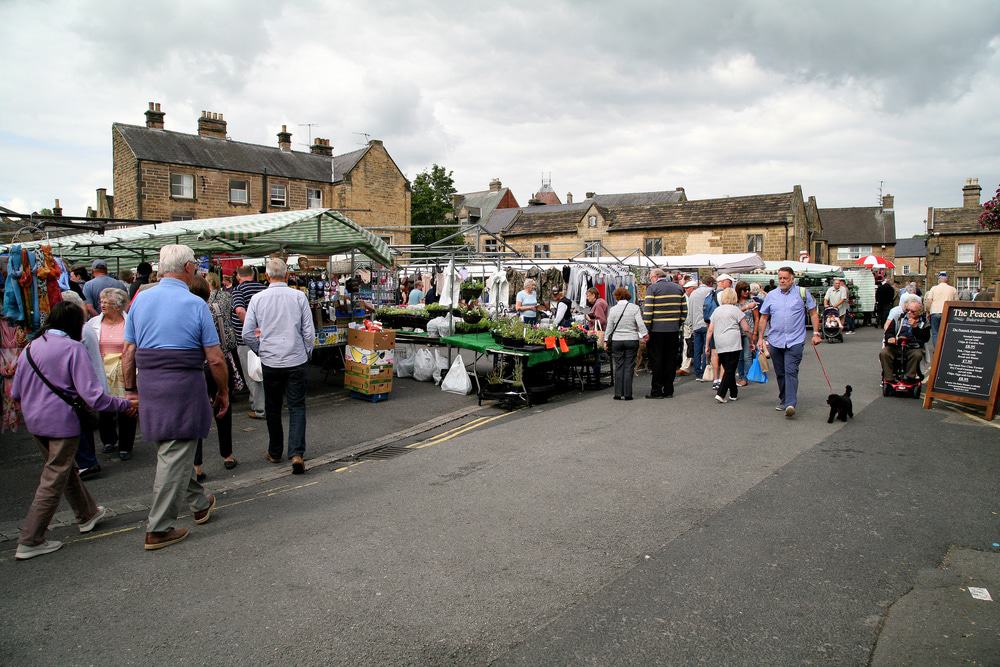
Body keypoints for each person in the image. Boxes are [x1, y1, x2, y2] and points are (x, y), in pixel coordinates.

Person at [10, 301, 135, 560]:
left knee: (63, 471)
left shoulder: (30, 349)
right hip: (62, 424)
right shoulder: (73, 349)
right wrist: (125, 405)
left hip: (35, 423)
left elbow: (16, 393)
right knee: (54, 478)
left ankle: (87, 513)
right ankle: (30, 539)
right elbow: (94, 397)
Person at [122, 244, 226, 551]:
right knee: (176, 452)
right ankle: (158, 528)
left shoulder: (140, 300)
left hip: (150, 386)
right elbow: (216, 359)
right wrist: (222, 391)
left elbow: (128, 352)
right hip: (183, 385)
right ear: (190, 268)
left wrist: (131, 390)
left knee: (171, 451)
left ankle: (199, 501)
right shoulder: (196, 305)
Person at [243, 258, 315, 475]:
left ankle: (275, 452)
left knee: (273, 408)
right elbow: (309, 332)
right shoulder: (298, 297)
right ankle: (296, 454)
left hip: (271, 360)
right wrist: (307, 352)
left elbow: (247, 333)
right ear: (287, 275)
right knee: (297, 407)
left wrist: (260, 350)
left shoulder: (257, 299)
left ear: (266, 276)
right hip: (296, 359)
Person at [189, 276, 238, 481]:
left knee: (196, 415)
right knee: (223, 409)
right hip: (217, 363)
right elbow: (227, 339)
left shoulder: (186, 312)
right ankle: (227, 455)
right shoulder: (218, 307)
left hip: (195, 367)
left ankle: (197, 464)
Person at [756, 266, 822, 418]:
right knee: (780, 373)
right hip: (775, 340)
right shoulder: (771, 295)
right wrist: (760, 338)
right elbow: (764, 317)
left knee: (790, 371)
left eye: (785, 278)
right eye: (780, 278)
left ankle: (791, 403)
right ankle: (784, 399)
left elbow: (813, 313)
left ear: (792, 279)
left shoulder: (802, 293)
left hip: (795, 340)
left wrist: (816, 333)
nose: (782, 280)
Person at [82, 287, 136, 462]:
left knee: (127, 405)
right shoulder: (93, 323)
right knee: (104, 405)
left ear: (118, 305)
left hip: (124, 368)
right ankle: (108, 440)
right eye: (102, 301)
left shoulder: (130, 322)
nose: (102, 304)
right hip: (102, 368)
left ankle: (126, 445)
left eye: (107, 302)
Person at [642, 267, 687, 399]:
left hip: (656, 331)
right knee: (670, 360)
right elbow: (684, 311)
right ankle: (668, 390)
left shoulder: (653, 289)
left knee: (657, 360)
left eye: (651, 277)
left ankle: (656, 391)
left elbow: (648, 311)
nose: (651, 280)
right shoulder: (678, 288)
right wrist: (677, 323)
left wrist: (646, 329)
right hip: (673, 330)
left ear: (655, 276)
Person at [231, 265, 267, 419]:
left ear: (239, 276)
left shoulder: (239, 290)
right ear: (253, 275)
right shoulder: (263, 288)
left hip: (247, 340)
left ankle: (260, 409)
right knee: (263, 373)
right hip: (265, 339)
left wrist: (251, 328)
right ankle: (258, 403)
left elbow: (239, 310)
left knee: (253, 375)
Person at [706, 287, 752, 403]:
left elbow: (710, 330)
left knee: (728, 367)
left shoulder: (716, 311)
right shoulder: (736, 310)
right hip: (733, 342)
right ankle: (721, 393)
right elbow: (746, 328)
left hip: (720, 341)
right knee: (730, 369)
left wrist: (707, 344)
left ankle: (733, 393)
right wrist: (752, 341)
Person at [603, 287, 649, 401]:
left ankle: (618, 393)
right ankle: (628, 394)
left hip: (617, 341)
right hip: (631, 340)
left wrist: (605, 340)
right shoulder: (635, 308)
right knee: (629, 366)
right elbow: (640, 323)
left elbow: (609, 327)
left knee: (619, 366)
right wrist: (645, 334)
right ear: (628, 296)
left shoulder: (613, 310)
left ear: (616, 296)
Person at [880, 301, 931, 381]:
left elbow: (925, 338)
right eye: (907, 310)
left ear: (919, 312)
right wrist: (890, 337)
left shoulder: (924, 322)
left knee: (917, 354)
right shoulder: (898, 318)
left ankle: (909, 377)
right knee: (884, 353)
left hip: (913, 347)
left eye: (913, 311)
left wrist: (915, 327)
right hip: (896, 345)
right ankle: (889, 377)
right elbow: (888, 332)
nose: (909, 313)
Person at [704, 274, 734, 389]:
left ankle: (715, 379)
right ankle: (722, 379)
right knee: (725, 355)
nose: (730, 284)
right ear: (723, 282)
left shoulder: (710, 294)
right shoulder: (724, 295)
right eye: (729, 282)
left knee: (715, 354)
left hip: (712, 326)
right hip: (724, 328)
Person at [924, 271, 958, 352]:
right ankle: (945, 349)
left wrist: (928, 312)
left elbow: (929, 301)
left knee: (935, 333)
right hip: (947, 312)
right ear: (947, 279)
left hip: (935, 312)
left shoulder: (933, 288)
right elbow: (956, 302)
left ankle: (937, 350)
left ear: (939, 279)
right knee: (946, 331)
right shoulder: (953, 289)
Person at [734, 281, 759, 386]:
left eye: (748, 289)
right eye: (744, 290)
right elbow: (734, 314)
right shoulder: (734, 302)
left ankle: (746, 377)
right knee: (739, 356)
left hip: (749, 331)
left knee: (747, 356)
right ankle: (741, 376)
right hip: (736, 331)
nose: (747, 292)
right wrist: (746, 307)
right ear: (739, 291)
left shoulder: (752, 301)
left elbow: (757, 318)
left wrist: (755, 332)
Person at [689, 276, 713, 381]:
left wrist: (691, 325)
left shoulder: (693, 293)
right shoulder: (711, 292)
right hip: (708, 324)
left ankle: (697, 372)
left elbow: (690, 310)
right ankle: (704, 371)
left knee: (697, 350)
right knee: (706, 348)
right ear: (711, 283)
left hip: (696, 325)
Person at [585, 287, 608, 388]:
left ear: (593, 295)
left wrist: (589, 319)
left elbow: (601, 320)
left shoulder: (598, 304)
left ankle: (596, 379)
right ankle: (596, 378)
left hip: (597, 332)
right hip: (601, 330)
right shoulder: (601, 302)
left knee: (596, 356)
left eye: (588, 295)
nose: (587, 298)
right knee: (597, 355)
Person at [678, 280, 699, 376]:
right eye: (685, 288)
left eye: (687, 288)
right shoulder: (686, 298)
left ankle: (686, 367)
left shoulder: (689, 297)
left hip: (693, 324)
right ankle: (685, 367)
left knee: (690, 344)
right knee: (688, 345)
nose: (686, 290)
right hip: (689, 324)